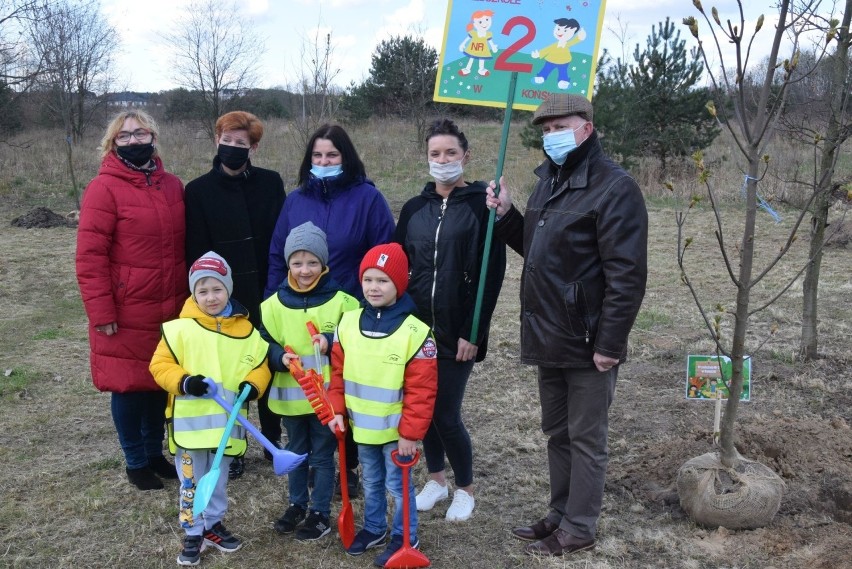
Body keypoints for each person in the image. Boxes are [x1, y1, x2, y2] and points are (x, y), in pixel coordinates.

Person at [485, 93, 648, 556]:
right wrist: (508, 217)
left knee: (586, 436)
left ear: (587, 127)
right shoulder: (548, 181)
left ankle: (580, 526)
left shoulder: (615, 189)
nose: (552, 135)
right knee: (557, 432)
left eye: (561, 126)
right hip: (549, 334)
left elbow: (627, 275)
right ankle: (559, 512)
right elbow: (539, 253)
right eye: (546, 129)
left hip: (588, 339)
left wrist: (610, 343)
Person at [266, 124, 395, 495]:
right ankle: (308, 461)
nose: (324, 162)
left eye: (332, 155)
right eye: (318, 156)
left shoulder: (367, 198)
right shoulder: (295, 200)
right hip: (297, 310)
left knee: (346, 387)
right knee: (306, 386)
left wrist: (376, 304)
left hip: (350, 308)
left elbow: (383, 254)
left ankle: (348, 464)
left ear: (346, 158)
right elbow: (278, 254)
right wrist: (273, 301)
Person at [393, 119, 506, 522]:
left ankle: (465, 488)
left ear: (465, 156)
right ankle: (436, 480)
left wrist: (473, 332)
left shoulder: (481, 206)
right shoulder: (413, 209)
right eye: (435, 154)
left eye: (450, 153)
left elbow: (491, 274)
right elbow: (397, 269)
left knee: (445, 413)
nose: (442, 161)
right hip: (416, 329)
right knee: (421, 411)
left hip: (458, 331)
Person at [75, 109, 186, 491]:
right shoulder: (103, 188)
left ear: (153, 138)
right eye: (125, 136)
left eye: (141, 134)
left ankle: (155, 453)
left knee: (158, 382)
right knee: (127, 385)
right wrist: (101, 310)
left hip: (169, 305)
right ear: (113, 143)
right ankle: (135, 460)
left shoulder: (172, 185)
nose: (134, 141)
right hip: (125, 308)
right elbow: (90, 257)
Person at [150, 252, 272, 566]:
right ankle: (193, 531)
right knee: (191, 482)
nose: (210, 297)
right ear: (193, 294)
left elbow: (260, 365)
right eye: (202, 291)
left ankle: (214, 524)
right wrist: (185, 382)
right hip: (189, 431)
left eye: (217, 289)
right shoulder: (180, 330)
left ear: (228, 289)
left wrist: (253, 385)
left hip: (225, 426)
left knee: (216, 480)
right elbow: (160, 366)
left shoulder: (245, 331)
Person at [185, 110, 286, 479]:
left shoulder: (270, 183)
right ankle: (234, 444)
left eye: (240, 143)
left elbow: (280, 238)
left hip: (266, 290)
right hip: (223, 297)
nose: (232, 148)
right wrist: (209, 295)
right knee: (231, 373)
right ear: (217, 141)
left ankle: (275, 442)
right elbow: (196, 249)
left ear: (253, 147)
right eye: (226, 141)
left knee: (269, 368)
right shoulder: (197, 191)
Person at [326, 243, 438, 567]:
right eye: (369, 279)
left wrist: (410, 433)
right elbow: (336, 375)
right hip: (362, 429)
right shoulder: (346, 324)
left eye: (383, 281)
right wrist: (336, 410)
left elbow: (422, 391)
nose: (374, 287)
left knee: (397, 485)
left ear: (399, 284)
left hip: (395, 433)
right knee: (371, 481)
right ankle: (374, 527)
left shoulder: (415, 333)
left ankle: (406, 536)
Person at [259, 221, 359, 542]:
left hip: (327, 400)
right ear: (287, 263)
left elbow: (354, 340)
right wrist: (278, 357)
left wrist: (331, 340)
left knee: (322, 456)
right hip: (292, 399)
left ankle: (319, 513)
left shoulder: (343, 302)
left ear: (324, 263)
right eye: (297, 262)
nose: (305, 270)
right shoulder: (272, 305)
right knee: (296, 453)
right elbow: (263, 342)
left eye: (312, 262)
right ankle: (296, 504)